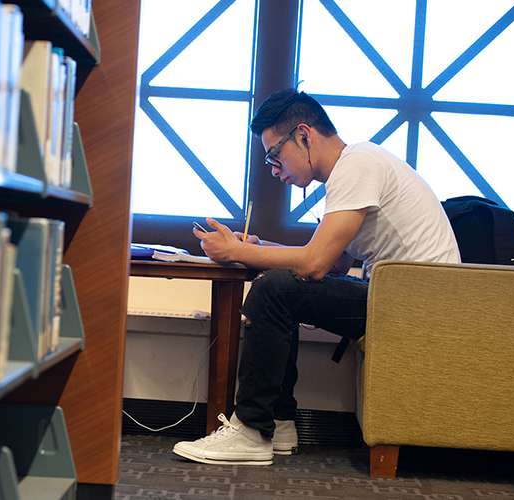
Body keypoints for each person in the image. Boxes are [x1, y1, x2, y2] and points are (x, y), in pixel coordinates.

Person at [174, 89, 460, 466]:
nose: (274, 170)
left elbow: (315, 263)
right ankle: (279, 421)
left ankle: (250, 431)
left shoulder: (356, 166)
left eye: (275, 155)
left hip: (417, 304)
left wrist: (239, 252)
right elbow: (335, 262)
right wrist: (259, 245)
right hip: (402, 295)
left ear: (304, 136)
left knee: (273, 289)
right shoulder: (357, 167)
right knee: (284, 285)